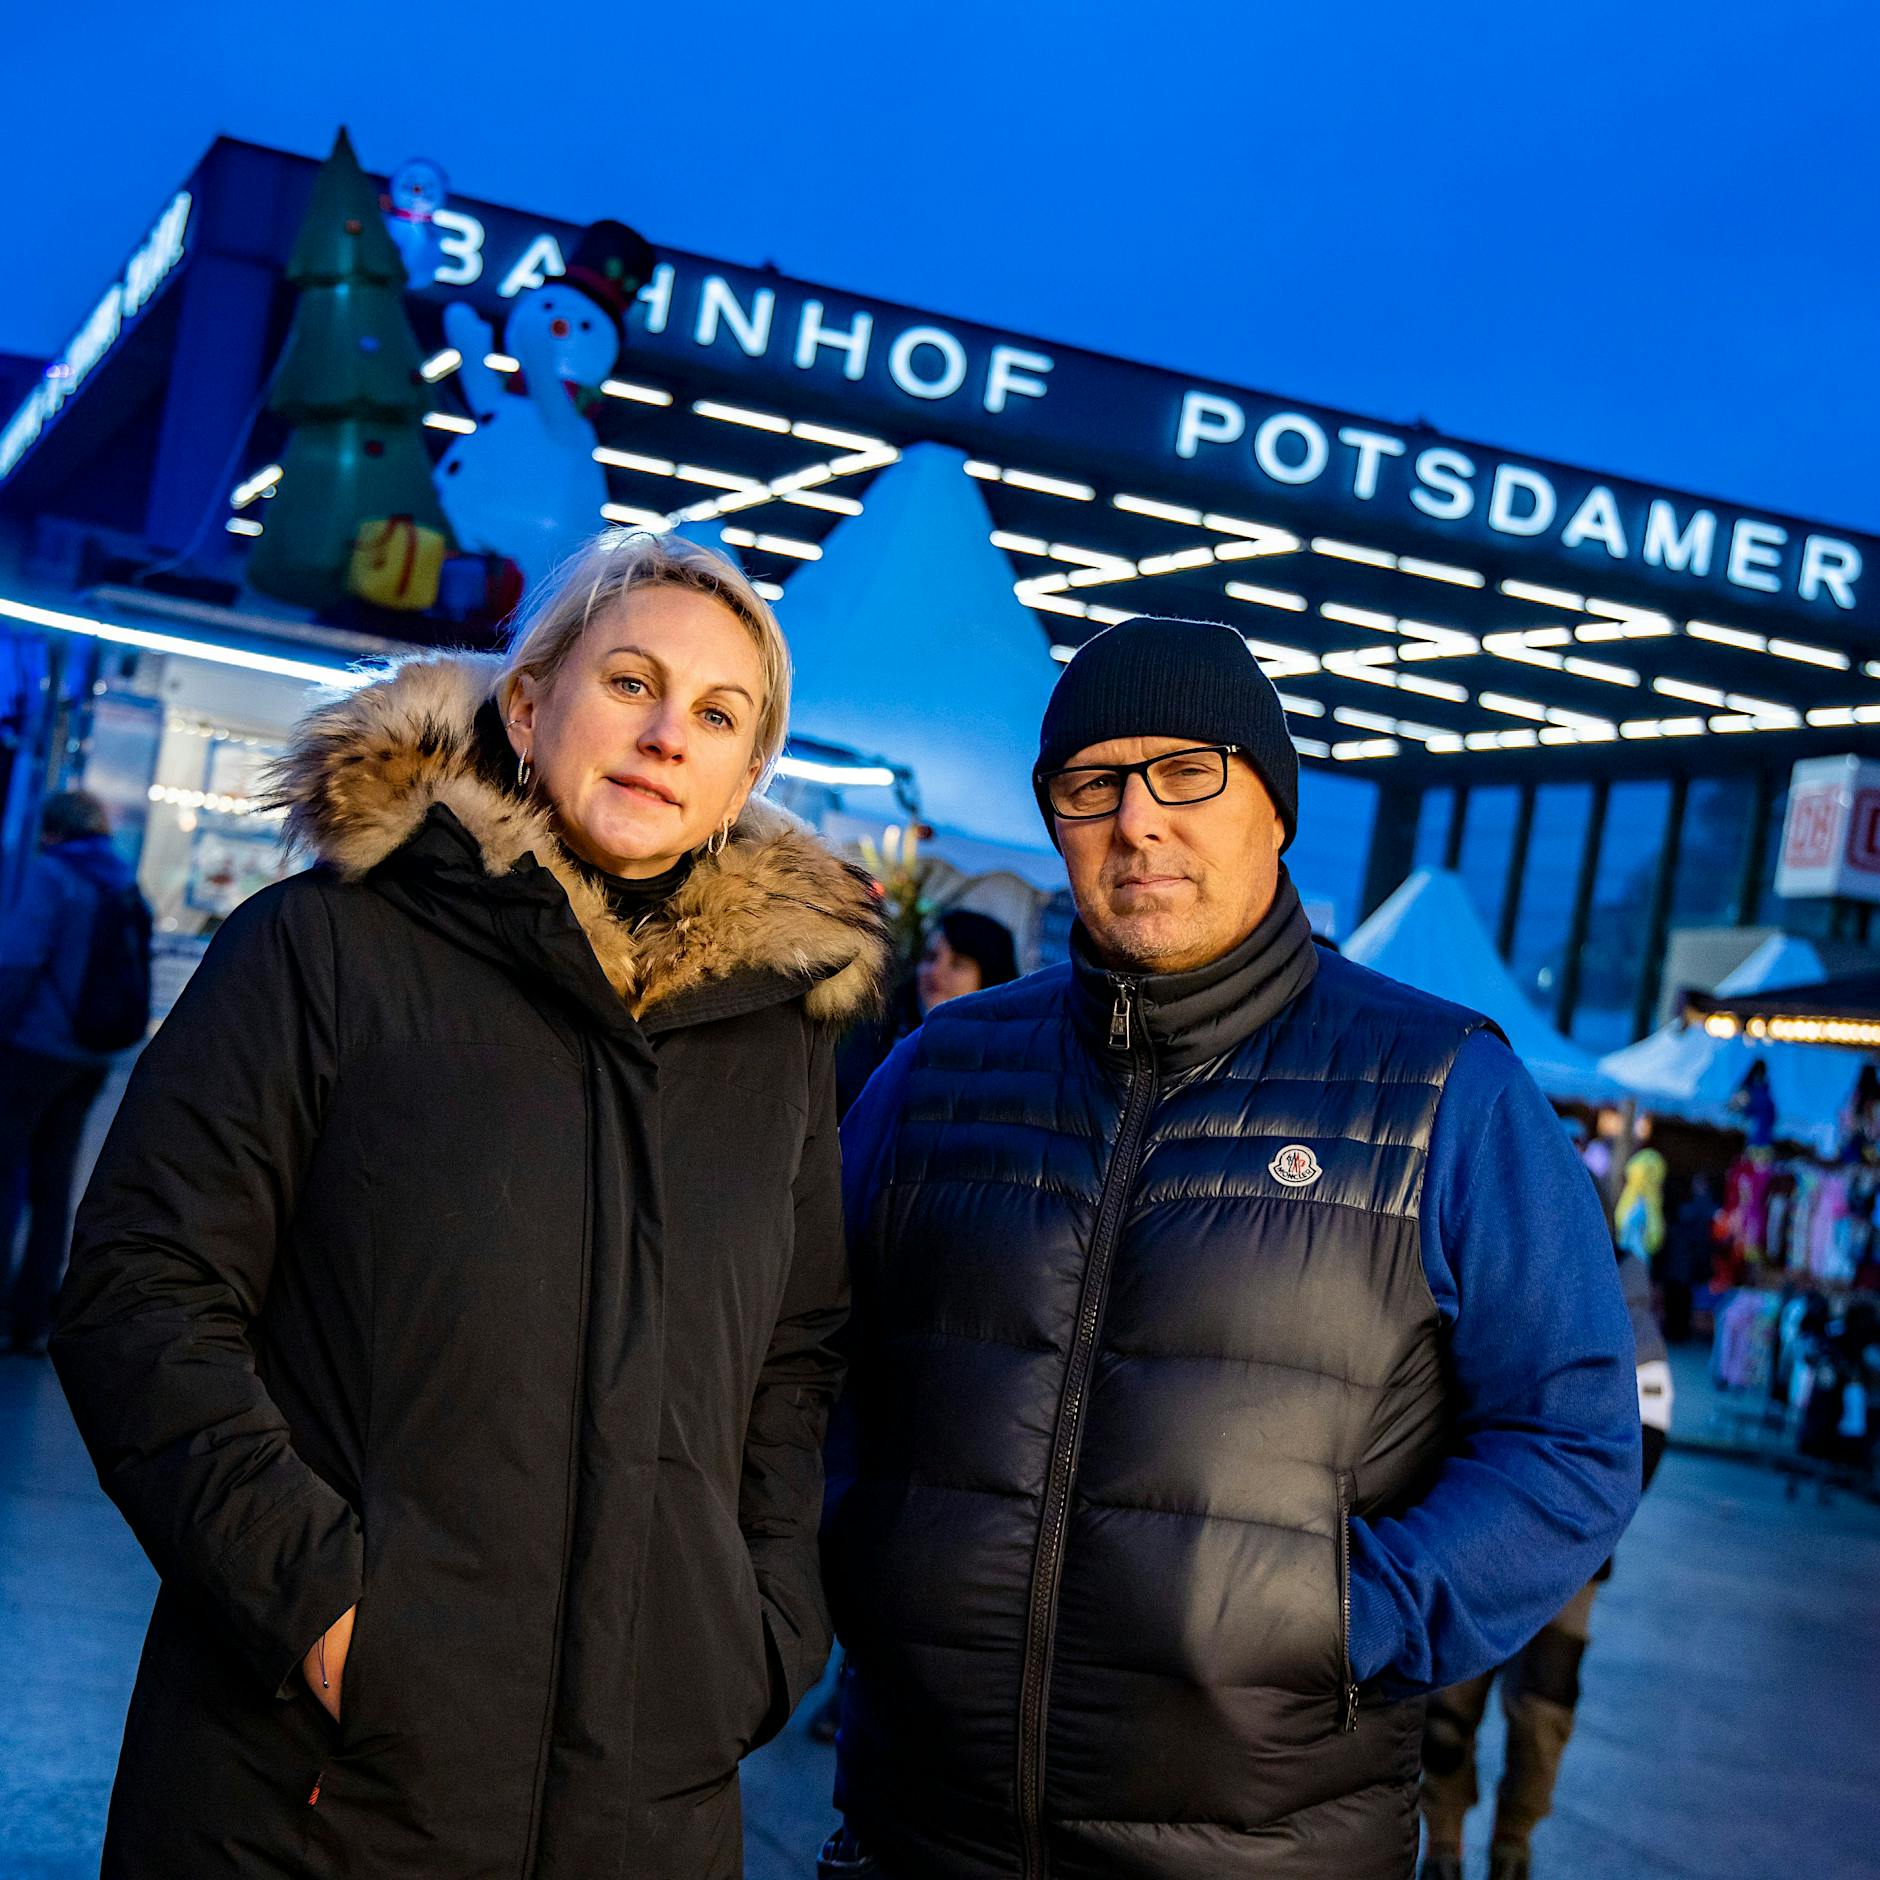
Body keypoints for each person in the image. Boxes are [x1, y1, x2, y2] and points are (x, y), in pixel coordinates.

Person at [52, 531, 887, 1880]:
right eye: (630, 682)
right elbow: (141, 1291)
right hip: (321, 1786)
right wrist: (315, 1601)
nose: (669, 735)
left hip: (646, 1796)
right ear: (525, 702)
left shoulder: (776, 1040)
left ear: (747, 777)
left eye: (718, 715)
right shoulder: (326, 949)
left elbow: (792, 1356)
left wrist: (764, 1626)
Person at [820, 616, 1640, 1878]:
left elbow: (1574, 1433)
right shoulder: (939, 1071)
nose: (1136, 819)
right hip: (917, 1831)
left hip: (1268, 1842)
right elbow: (795, 1350)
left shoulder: (1437, 1084)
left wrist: (1351, 1609)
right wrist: (855, 1554)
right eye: (1090, 783)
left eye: (1185, 770)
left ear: (1274, 806)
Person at [1418, 1241, 1673, 1880]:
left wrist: (1579, 1528)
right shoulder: (1482, 1256)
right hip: (1472, 1535)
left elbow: (1652, 1419)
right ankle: (1444, 1848)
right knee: (1449, 1706)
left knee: (1543, 1710)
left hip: (1561, 1549)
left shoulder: (1613, 1286)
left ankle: (1512, 1847)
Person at [0, 789, 150, 1356]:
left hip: (36, 1048)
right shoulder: (122, 878)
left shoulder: (53, 874)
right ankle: (35, 1317)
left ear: (53, 831)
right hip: (91, 1058)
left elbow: (18, 962)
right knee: (55, 1182)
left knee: (5, 1176)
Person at [835, 908, 1020, 1114]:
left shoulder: (1008, 1064)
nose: (936, 972)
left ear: (990, 978)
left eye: (958, 964)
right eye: (931, 957)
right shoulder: (879, 1031)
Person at [1660, 1170, 1718, 1344]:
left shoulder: (1687, 1210)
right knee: (1683, 1298)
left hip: (1681, 1262)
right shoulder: (1710, 1209)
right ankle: (1681, 1332)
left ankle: (1675, 1332)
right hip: (1690, 1263)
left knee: (1676, 1298)